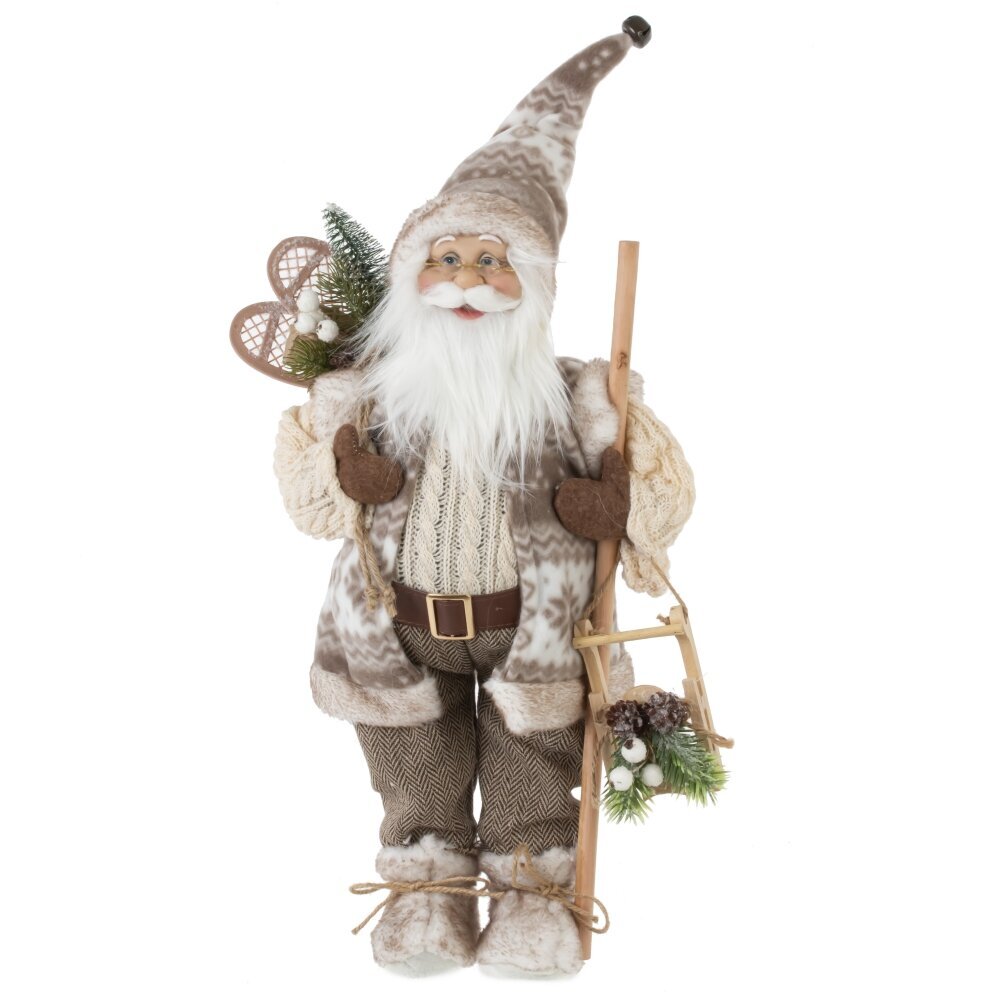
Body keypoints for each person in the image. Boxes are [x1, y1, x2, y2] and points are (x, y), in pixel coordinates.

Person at [273, 17, 693, 976]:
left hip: (532, 631)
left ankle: (534, 892)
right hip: (395, 624)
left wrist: (618, 499)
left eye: (493, 261)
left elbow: (662, 502)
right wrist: (340, 460)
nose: (468, 283)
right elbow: (309, 505)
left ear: (532, 285)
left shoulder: (579, 397)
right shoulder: (372, 397)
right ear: (411, 279)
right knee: (412, 763)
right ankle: (425, 887)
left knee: (532, 762)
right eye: (449, 259)